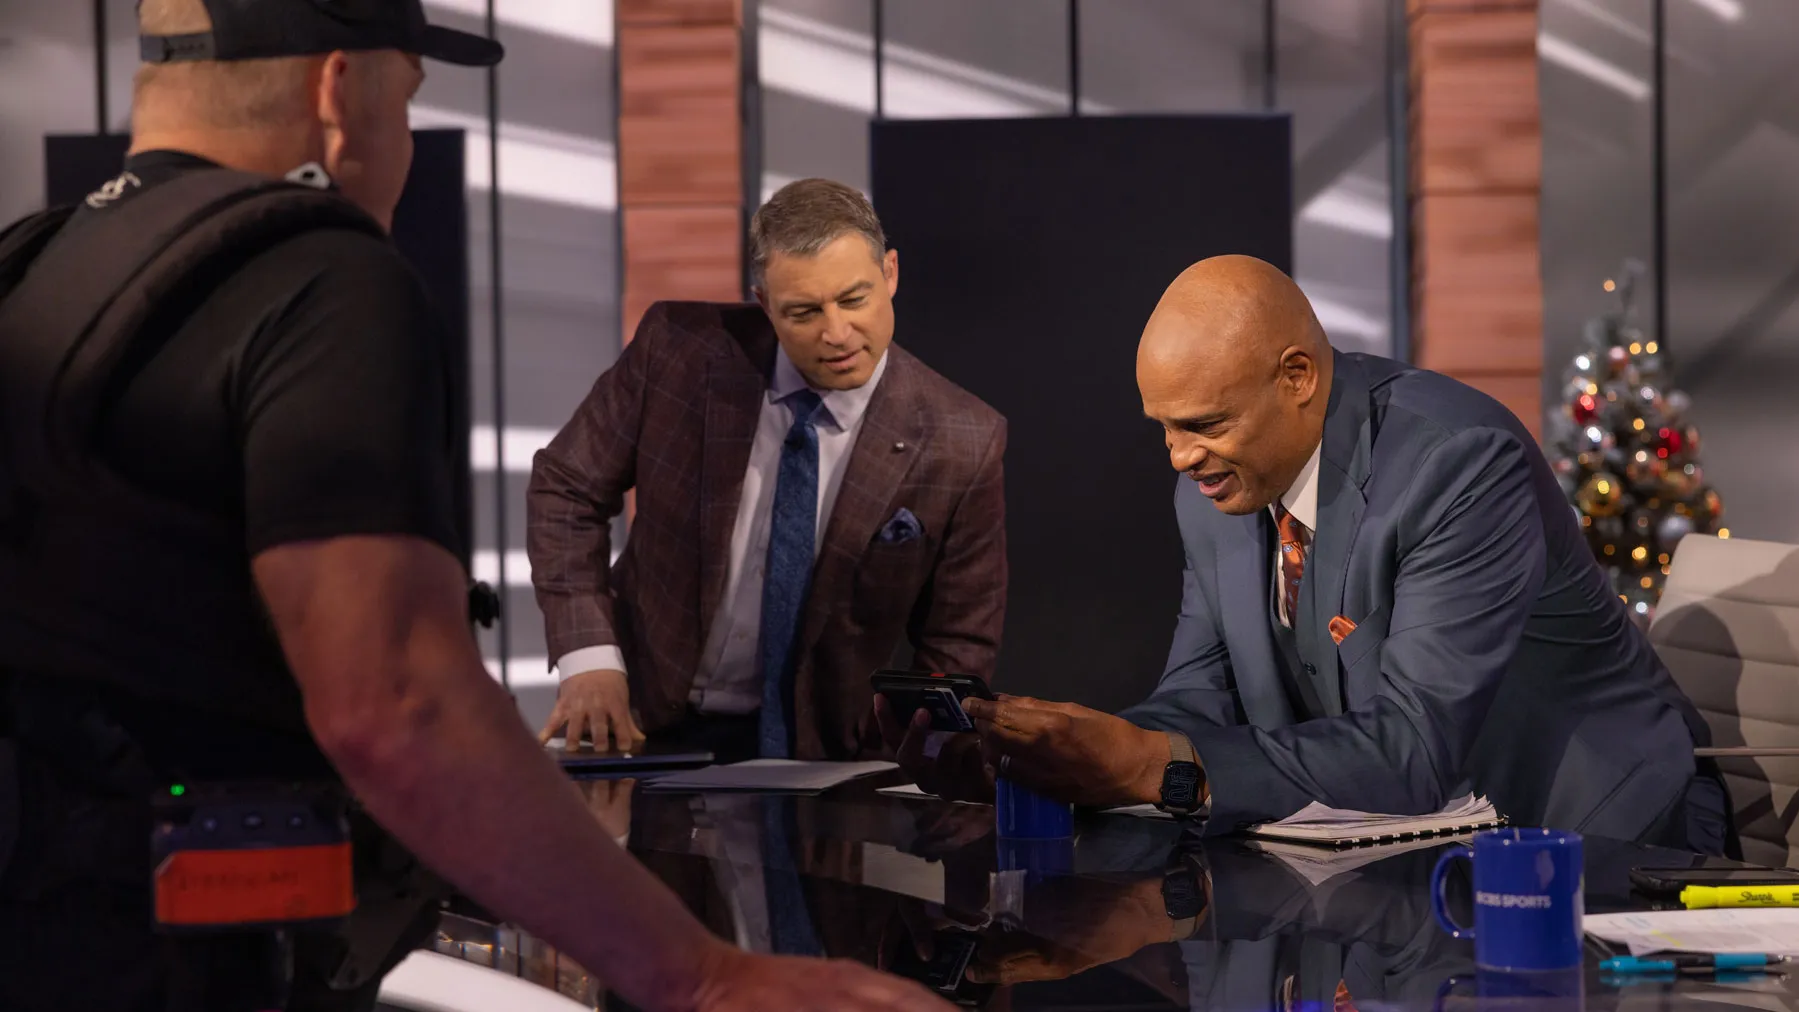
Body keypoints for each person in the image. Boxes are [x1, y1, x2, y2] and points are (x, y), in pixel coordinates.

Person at [0, 1, 953, 1009]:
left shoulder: (31, 265)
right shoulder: (320, 280)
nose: (402, 144)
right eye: (406, 99)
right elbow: (396, 705)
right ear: (337, 88)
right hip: (200, 966)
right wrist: (701, 973)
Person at [883, 255, 1727, 855]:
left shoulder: (1458, 461)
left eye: (1204, 425)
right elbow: (1197, 699)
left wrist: (1145, 766)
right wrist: (1058, 754)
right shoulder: (1212, 488)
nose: (1177, 457)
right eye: (1164, 428)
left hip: (1603, 842)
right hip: (1417, 853)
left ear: (1296, 376)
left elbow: (1411, 747)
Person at [528, 178, 1008, 762]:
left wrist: (918, 769)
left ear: (891, 274)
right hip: (640, 723)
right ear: (764, 303)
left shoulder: (963, 438)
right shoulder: (679, 353)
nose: (836, 334)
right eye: (804, 312)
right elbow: (565, 490)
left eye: (854, 299)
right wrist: (590, 660)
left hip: (828, 757)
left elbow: (958, 641)